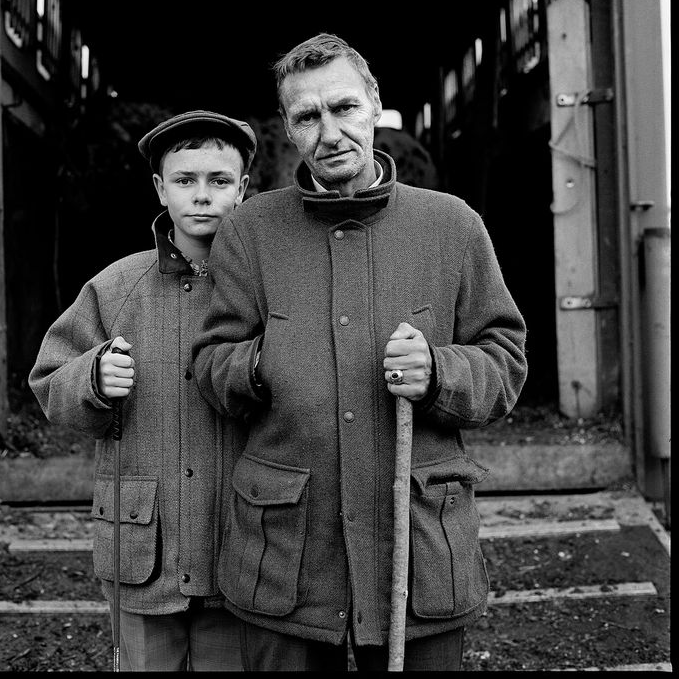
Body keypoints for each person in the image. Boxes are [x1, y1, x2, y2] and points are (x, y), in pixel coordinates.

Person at [191, 33, 528, 672]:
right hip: (288, 553)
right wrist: (263, 364)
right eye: (307, 116)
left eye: (344, 108)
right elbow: (209, 363)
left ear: (375, 105)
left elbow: (505, 361)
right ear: (288, 130)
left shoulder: (451, 225)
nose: (330, 131)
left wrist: (440, 372)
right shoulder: (250, 231)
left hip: (417, 546)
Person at [29, 109, 256, 671]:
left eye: (219, 181)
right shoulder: (115, 287)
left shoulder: (267, 291)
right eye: (185, 180)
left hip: (240, 548)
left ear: (244, 189)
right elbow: (48, 382)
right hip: (143, 551)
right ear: (159, 187)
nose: (202, 196)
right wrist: (93, 379)